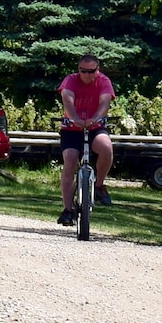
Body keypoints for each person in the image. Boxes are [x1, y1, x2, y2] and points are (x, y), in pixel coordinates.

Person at [57, 54, 116, 225]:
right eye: (83, 71)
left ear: (98, 70)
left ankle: (99, 185)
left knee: (106, 148)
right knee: (70, 160)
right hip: (72, 128)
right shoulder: (70, 81)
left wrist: (96, 118)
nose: (87, 75)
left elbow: (105, 103)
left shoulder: (104, 81)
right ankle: (68, 209)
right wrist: (74, 117)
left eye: (91, 71)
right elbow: (67, 100)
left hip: (95, 127)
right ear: (78, 70)